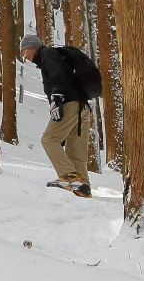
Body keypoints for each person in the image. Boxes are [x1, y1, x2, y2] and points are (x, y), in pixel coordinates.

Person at [19, 34, 93, 198]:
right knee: (76, 152)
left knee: (49, 140)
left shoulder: (46, 54)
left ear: (32, 47)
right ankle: (83, 191)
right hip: (83, 107)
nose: (25, 56)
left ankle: (71, 179)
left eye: (25, 51)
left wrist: (56, 98)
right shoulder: (53, 55)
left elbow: (58, 75)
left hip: (70, 104)